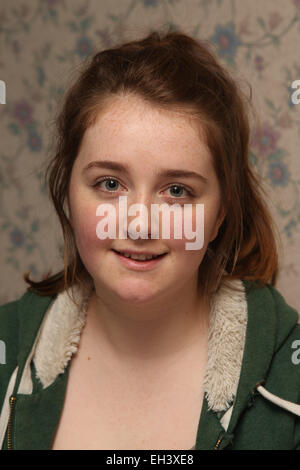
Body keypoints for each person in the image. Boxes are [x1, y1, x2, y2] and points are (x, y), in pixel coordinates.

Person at [0, 29, 299, 451]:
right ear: (67, 193)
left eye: (177, 191)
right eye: (109, 183)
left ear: (220, 216)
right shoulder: (8, 347)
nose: (139, 225)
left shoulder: (289, 376)